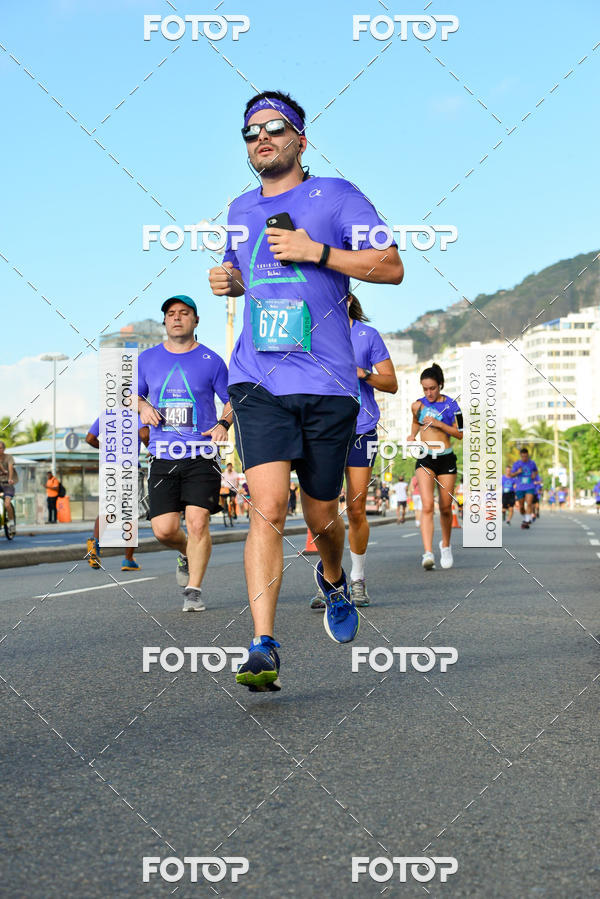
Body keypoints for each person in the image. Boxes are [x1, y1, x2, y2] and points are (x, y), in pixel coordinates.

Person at [209, 89, 403, 691]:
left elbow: (391, 265)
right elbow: (247, 277)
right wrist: (229, 281)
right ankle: (263, 642)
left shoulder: (337, 195)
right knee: (267, 507)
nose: (261, 138)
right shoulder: (239, 209)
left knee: (323, 510)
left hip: (328, 381)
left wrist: (316, 251)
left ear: (301, 139)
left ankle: (333, 575)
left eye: (274, 127)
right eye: (250, 132)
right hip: (259, 378)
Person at [137, 295, 232, 611]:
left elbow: (234, 400)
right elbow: (129, 395)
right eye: (171, 314)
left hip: (201, 455)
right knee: (164, 530)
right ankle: (184, 551)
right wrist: (142, 406)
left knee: (197, 522)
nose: (177, 317)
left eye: (184, 313)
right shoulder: (147, 359)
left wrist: (223, 423)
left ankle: (193, 591)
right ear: (165, 322)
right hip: (162, 455)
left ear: (196, 320)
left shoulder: (212, 360)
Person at [408, 363, 463, 570]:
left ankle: (446, 546)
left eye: (432, 388)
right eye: (425, 389)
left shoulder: (454, 406)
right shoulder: (417, 406)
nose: (429, 393)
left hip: (446, 458)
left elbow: (461, 433)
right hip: (425, 457)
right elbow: (415, 421)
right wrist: (412, 435)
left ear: (440, 385)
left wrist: (440, 424)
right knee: (427, 505)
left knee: (445, 507)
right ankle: (428, 552)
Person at [85, 417, 149, 570]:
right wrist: (151, 449)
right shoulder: (137, 415)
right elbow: (145, 435)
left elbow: (90, 438)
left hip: (108, 468)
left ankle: (94, 546)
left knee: (107, 511)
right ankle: (128, 559)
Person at [510, 447, 539, 529]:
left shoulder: (532, 463)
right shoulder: (516, 464)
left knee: (529, 503)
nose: (524, 458)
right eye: (523, 456)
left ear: (528, 455)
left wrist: (534, 474)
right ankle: (525, 517)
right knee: (521, 507)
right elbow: (511, 475)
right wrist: (518, 472)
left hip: (530, 486)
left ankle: (526, 521)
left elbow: (536, 471)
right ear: (520, 456)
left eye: (526, 456)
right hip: (520, 487)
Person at [0, 441, 17, 532]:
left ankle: (11, 523)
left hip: (8, 484)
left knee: (7, 504)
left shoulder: (9, 457)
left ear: (4, 449)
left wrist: (10, 478)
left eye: (0, 448)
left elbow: (10, 469)